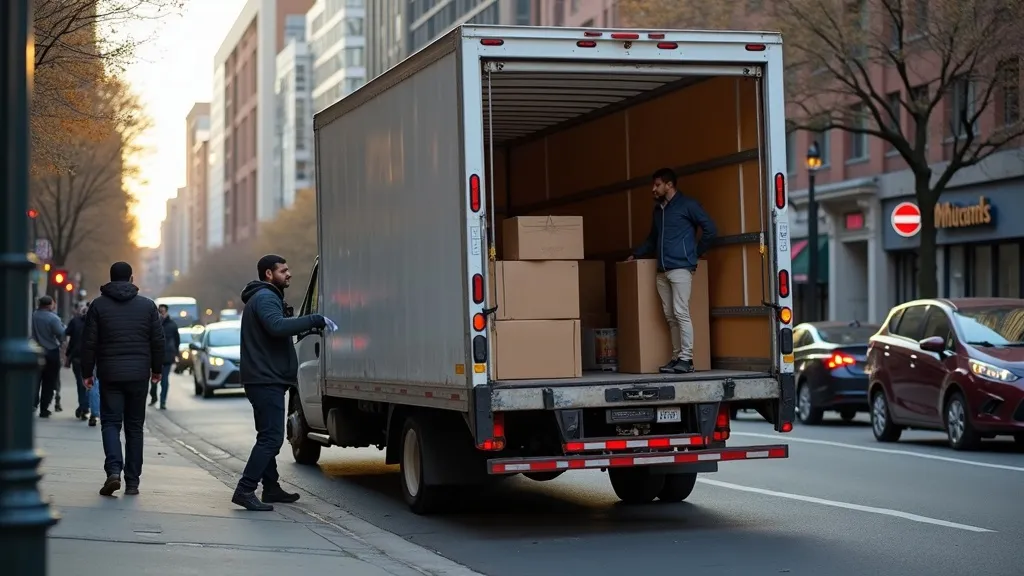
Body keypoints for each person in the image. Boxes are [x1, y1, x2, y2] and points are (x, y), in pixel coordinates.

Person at [233, 254, 326, 511]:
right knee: (271, 439)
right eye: (283, 270)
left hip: (264, 378)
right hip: (265, 380)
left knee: (266, 435)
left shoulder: (265, 297)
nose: (289, 274)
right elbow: (276, 326)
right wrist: (313, 320)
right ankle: (245, 489)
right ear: (268, 274)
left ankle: (271, 488)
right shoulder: (265, 298)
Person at [81, 261, 164, 497]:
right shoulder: (147, 306)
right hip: (138, 375)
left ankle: (113, 471)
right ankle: (133, 481)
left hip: (110, 374)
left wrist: (87, 372)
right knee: (135, 428)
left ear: (110, 278)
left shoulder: (98, 305)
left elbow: (89, 343)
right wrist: (156, 369)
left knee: (110, 423)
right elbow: (158, 340)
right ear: (131, 278)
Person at [629, 167, 718, 374]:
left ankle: (687, 359)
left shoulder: (688, 205)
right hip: (662, 269)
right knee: (671, 316)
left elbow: (711, 229)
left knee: (681, 313)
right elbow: (652, 238)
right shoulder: (659, 210)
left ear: (669, 185)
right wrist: (637, 254)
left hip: (680, 268)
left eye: (657, 185)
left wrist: (695, 253)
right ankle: (677, 357)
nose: (654, 189)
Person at [32, 295, 67, 417]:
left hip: (34, 351)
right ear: (50, 305)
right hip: (51, 352)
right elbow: (61, 334)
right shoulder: (53, 318)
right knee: (49, 381)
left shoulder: (32, 316)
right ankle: (44, 407)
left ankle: (33, 403)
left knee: (34, 380)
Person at [151, 304, 181, 410]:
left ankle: (162, 401)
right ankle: (153, 396)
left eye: (163, 311)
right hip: (155, 356)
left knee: (164, 380)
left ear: (167, 312)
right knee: (153, 380)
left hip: (167, 355)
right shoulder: (154, 324)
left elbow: (177, 340)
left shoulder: (172, 325)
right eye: (160, 312)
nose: (162, 313)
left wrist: (176, 353)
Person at [65, 302, 91, 420]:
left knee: (81, 384)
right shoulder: (100, 322)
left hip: (77, 357)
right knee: (92, 384)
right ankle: (87, 406)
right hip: (93, 358)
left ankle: (83, 406)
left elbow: (66, 333)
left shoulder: (75, 321)